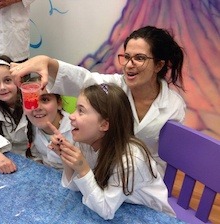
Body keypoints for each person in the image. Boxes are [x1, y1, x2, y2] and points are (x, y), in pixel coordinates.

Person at [10, 26, 186, 177]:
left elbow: (170, 155)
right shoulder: (115, 86)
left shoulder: (173, 106)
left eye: (139, 58)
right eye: (126, 57)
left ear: (159, 65)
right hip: (107, 172)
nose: (129, 64)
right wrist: (47, 62)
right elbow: (83, 79)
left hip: (145, 179)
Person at [47, 83, 175, 220]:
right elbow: (75, 187)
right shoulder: (85, 143)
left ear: (104, 125)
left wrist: (83, 170)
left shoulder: (130, 159)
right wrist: (65, 157)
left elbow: (106, 210)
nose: (71, 116)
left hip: (151, 216)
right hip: (121, 207)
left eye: (81, 111)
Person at [24, 78, 74, 170]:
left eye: (45, 99)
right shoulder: (30, 127)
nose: (37, 108)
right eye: (31, 100)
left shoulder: (76, 129)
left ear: (59, 103)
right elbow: (37, 157)